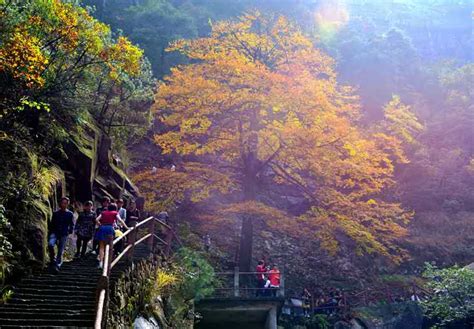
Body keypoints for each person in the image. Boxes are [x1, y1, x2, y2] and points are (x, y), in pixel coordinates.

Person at [95, 203, 128, 269]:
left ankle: (101, 263)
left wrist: (100, 224)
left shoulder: (103, 212)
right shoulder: (115, 213)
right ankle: (108, 263)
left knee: (101, 247)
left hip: (102, 228)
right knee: (109, 246)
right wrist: (126, 227)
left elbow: (96, 219)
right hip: (110, 228)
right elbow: (120, 220)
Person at [48, 197, 74, 269]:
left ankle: (58, 264)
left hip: (64, 233)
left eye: (65, 203)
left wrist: (69, 231)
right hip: (55, 232)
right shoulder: (56, 213)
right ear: (60, 203)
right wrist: (50, 232)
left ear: (67, 204)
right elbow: (52, 223)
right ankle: (52, 259)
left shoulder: (70, 214)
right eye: (63, 203)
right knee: (50, 244)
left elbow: (71, 224)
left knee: (60, 249)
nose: (64, 205)